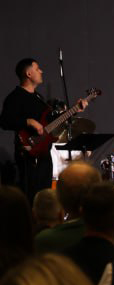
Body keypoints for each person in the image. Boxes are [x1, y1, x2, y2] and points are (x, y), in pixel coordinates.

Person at [1, 58, 84, 200]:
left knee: (44, 196)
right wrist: (29, 121)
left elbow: (51, 121)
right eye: (37, 68)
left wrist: (75, 110)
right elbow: (4, 121)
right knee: (31, 196)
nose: (41, 71)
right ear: (28, 74)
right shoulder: (15, 97)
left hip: (44, 154)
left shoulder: (38, 97)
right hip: (28, 154)